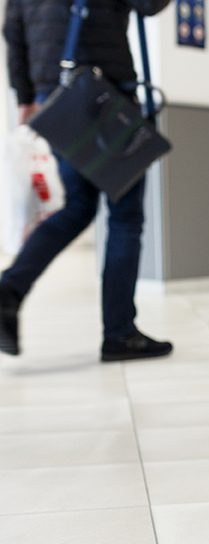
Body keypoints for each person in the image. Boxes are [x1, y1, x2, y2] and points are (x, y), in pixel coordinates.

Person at [0, 0, 173, 361]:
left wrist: (26, 98)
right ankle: (120, 333)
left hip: (57, 96)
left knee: (78, 206)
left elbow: (13, 33)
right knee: (125, 216)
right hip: (101, 94)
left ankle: (8, 291)